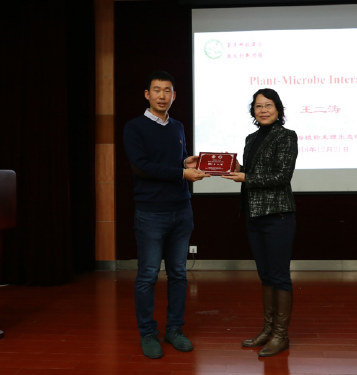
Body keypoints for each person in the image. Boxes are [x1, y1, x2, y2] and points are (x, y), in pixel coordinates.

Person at [123, 70, 210, 359]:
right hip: (151, 213)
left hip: (182, 210)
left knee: (179, 274)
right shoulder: (134, 127)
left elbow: (170, 163)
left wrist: (186, 162)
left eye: (168, 91)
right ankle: (148, 333)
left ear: (174, 95)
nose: (162, 96)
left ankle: (174, 329)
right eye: (157, 90)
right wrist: (182, 173)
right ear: (147, 94)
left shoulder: (178, 126)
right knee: (148, 275)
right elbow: (142, 166)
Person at [222, 88, 298, 357]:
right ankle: (268, 329)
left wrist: (246, 178)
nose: (263, 110)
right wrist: (235, 168)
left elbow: (282, 176)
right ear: (253, 111)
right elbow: (253, 172)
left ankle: (281, 335)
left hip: (278, 215)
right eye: (258, 106)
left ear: (278, 109)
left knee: (279, 276)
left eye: (268, 105)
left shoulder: (286, 136)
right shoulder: (251, 138)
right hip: (254, 214)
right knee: (265, 275)